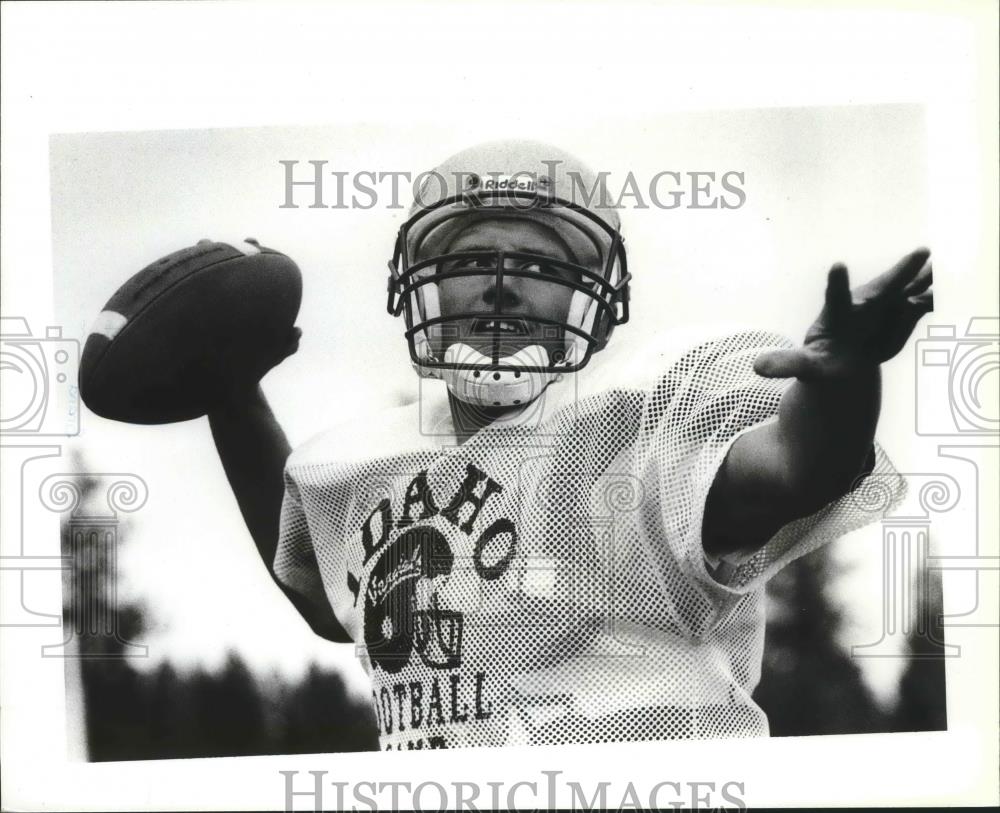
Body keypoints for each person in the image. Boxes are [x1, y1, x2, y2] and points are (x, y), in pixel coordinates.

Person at [208, 141, 932, 750]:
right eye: (471, 260)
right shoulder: (368, 461)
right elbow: (323, 584)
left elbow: (792, 466)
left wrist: (839, 391)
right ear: (417, 287)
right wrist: (231, 396)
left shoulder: (628, 425)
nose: (501, 286)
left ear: (596, 303)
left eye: (539, 267)